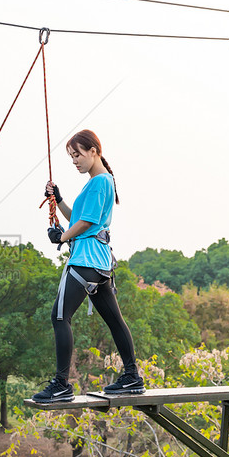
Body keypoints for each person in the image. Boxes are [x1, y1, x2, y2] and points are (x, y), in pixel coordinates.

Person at [31, 129, 144, 404]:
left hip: (85, 261)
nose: (74, 161)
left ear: (94, 150)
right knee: (115, 320)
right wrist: (58, 200)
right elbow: (78, 219)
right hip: (99, 264)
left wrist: (62, 237)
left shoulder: (99, 182)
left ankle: (60, 384)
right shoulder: (100, 182)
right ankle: (132, 377)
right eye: (71, 157)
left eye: (77, 155)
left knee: (59, 317)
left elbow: (86, 224)